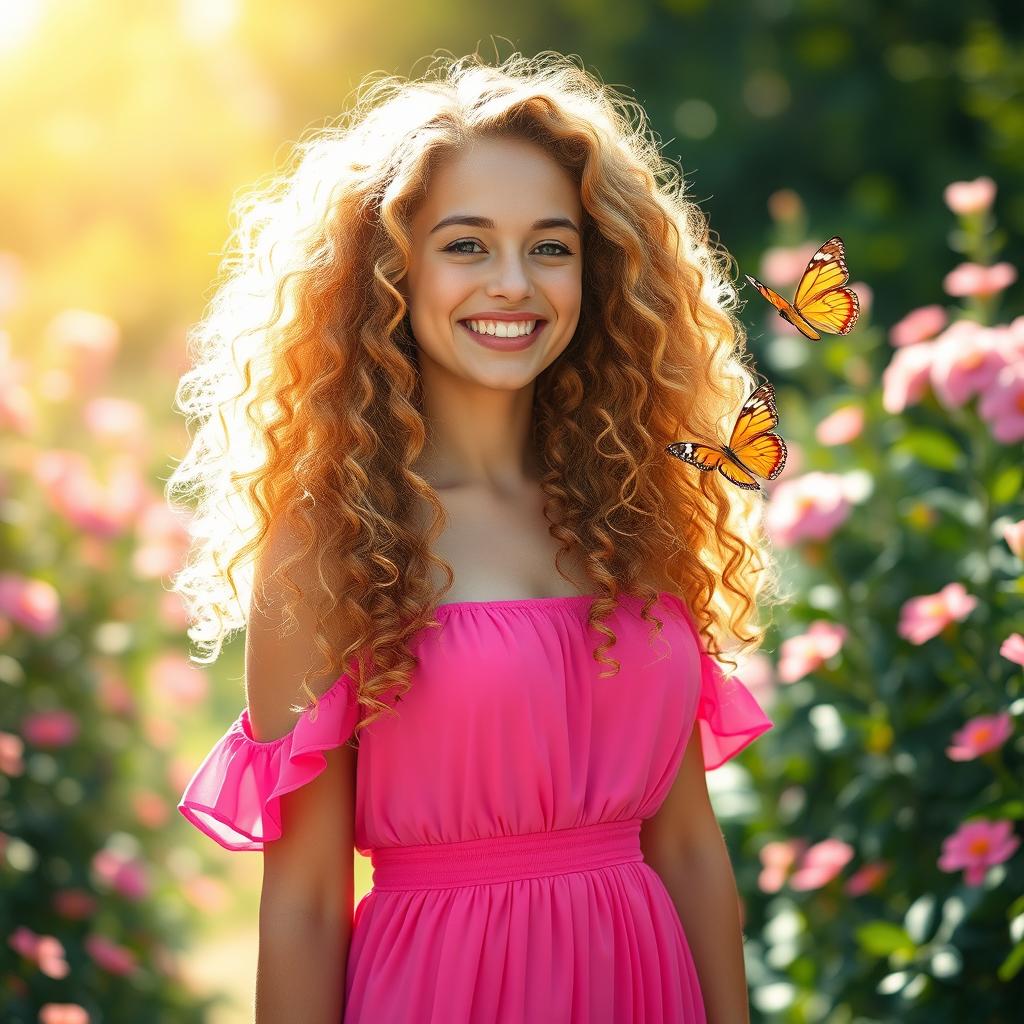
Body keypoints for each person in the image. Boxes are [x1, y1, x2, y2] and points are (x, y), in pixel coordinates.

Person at [169, 49, 779, 1024]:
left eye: (549, 246)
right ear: (388, 273)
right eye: (465, 245)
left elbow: (690, 851)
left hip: (647, 986)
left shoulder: (638, 503)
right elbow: (306, 903)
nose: (513, 284)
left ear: (598, 265)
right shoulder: (332, 539)